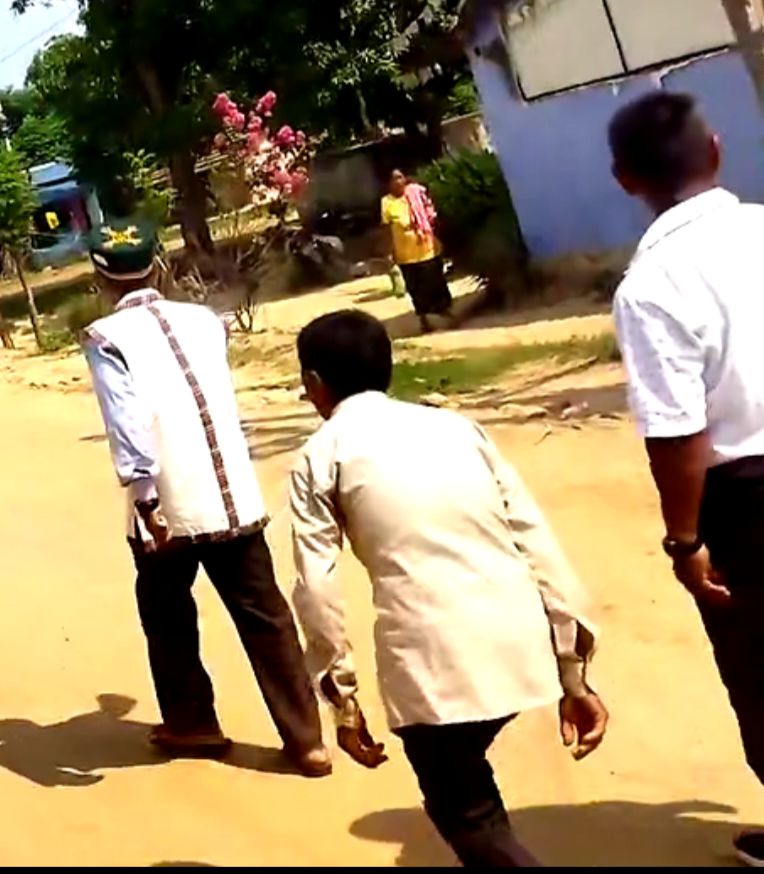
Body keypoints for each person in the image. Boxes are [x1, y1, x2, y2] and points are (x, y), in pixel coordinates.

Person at [289, 309, 607, 867]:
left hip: (434, 660)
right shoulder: (459, 428)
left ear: (313, 383)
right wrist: (573, 670)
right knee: (467, 784)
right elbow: (534, 539)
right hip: (518, 635)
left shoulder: (321, 455)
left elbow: (317, 587)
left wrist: (343, 700)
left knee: (465, 811)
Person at [79, 217, 330, 776]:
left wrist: (145, 499)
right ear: (158, 266)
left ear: (100, 278)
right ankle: (307, 740)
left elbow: (126, 423)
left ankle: (193, 721)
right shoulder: (207, 321)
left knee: (167, 613)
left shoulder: (105, 338)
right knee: (266, 617)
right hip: (233, 494)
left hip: (166, 505)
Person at [606, 90, 764, 867]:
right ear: (717, 150)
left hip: (748, 501)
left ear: (626, 179)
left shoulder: (651, 285)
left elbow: (678, 431)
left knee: (760, 666)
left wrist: (685, 539)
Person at [382, 168, 451, 331]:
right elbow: (386, 228)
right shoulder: (387, 202)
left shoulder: (416, 193)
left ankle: (443, 313)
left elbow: (430, 215)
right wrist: (389, 252)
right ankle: (424, 320)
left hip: (426, 248)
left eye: (400, 177)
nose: (398, 181)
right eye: (394, 179)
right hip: (405, 255)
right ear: (389, 184)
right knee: (415, 288)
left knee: (435, 281)